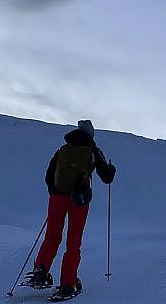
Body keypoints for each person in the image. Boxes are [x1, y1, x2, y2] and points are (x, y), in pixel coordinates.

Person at [28, 120, 116, 299]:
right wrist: (111, 169)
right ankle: (68, 283)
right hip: (79, 200)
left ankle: (40, 272)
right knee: (73, 241)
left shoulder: (63, 149)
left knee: (51, 237)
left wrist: (56, 192)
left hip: (57, 198)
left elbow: (49, 175)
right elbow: (106, 177)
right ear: (91, 134)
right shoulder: (93, 150)